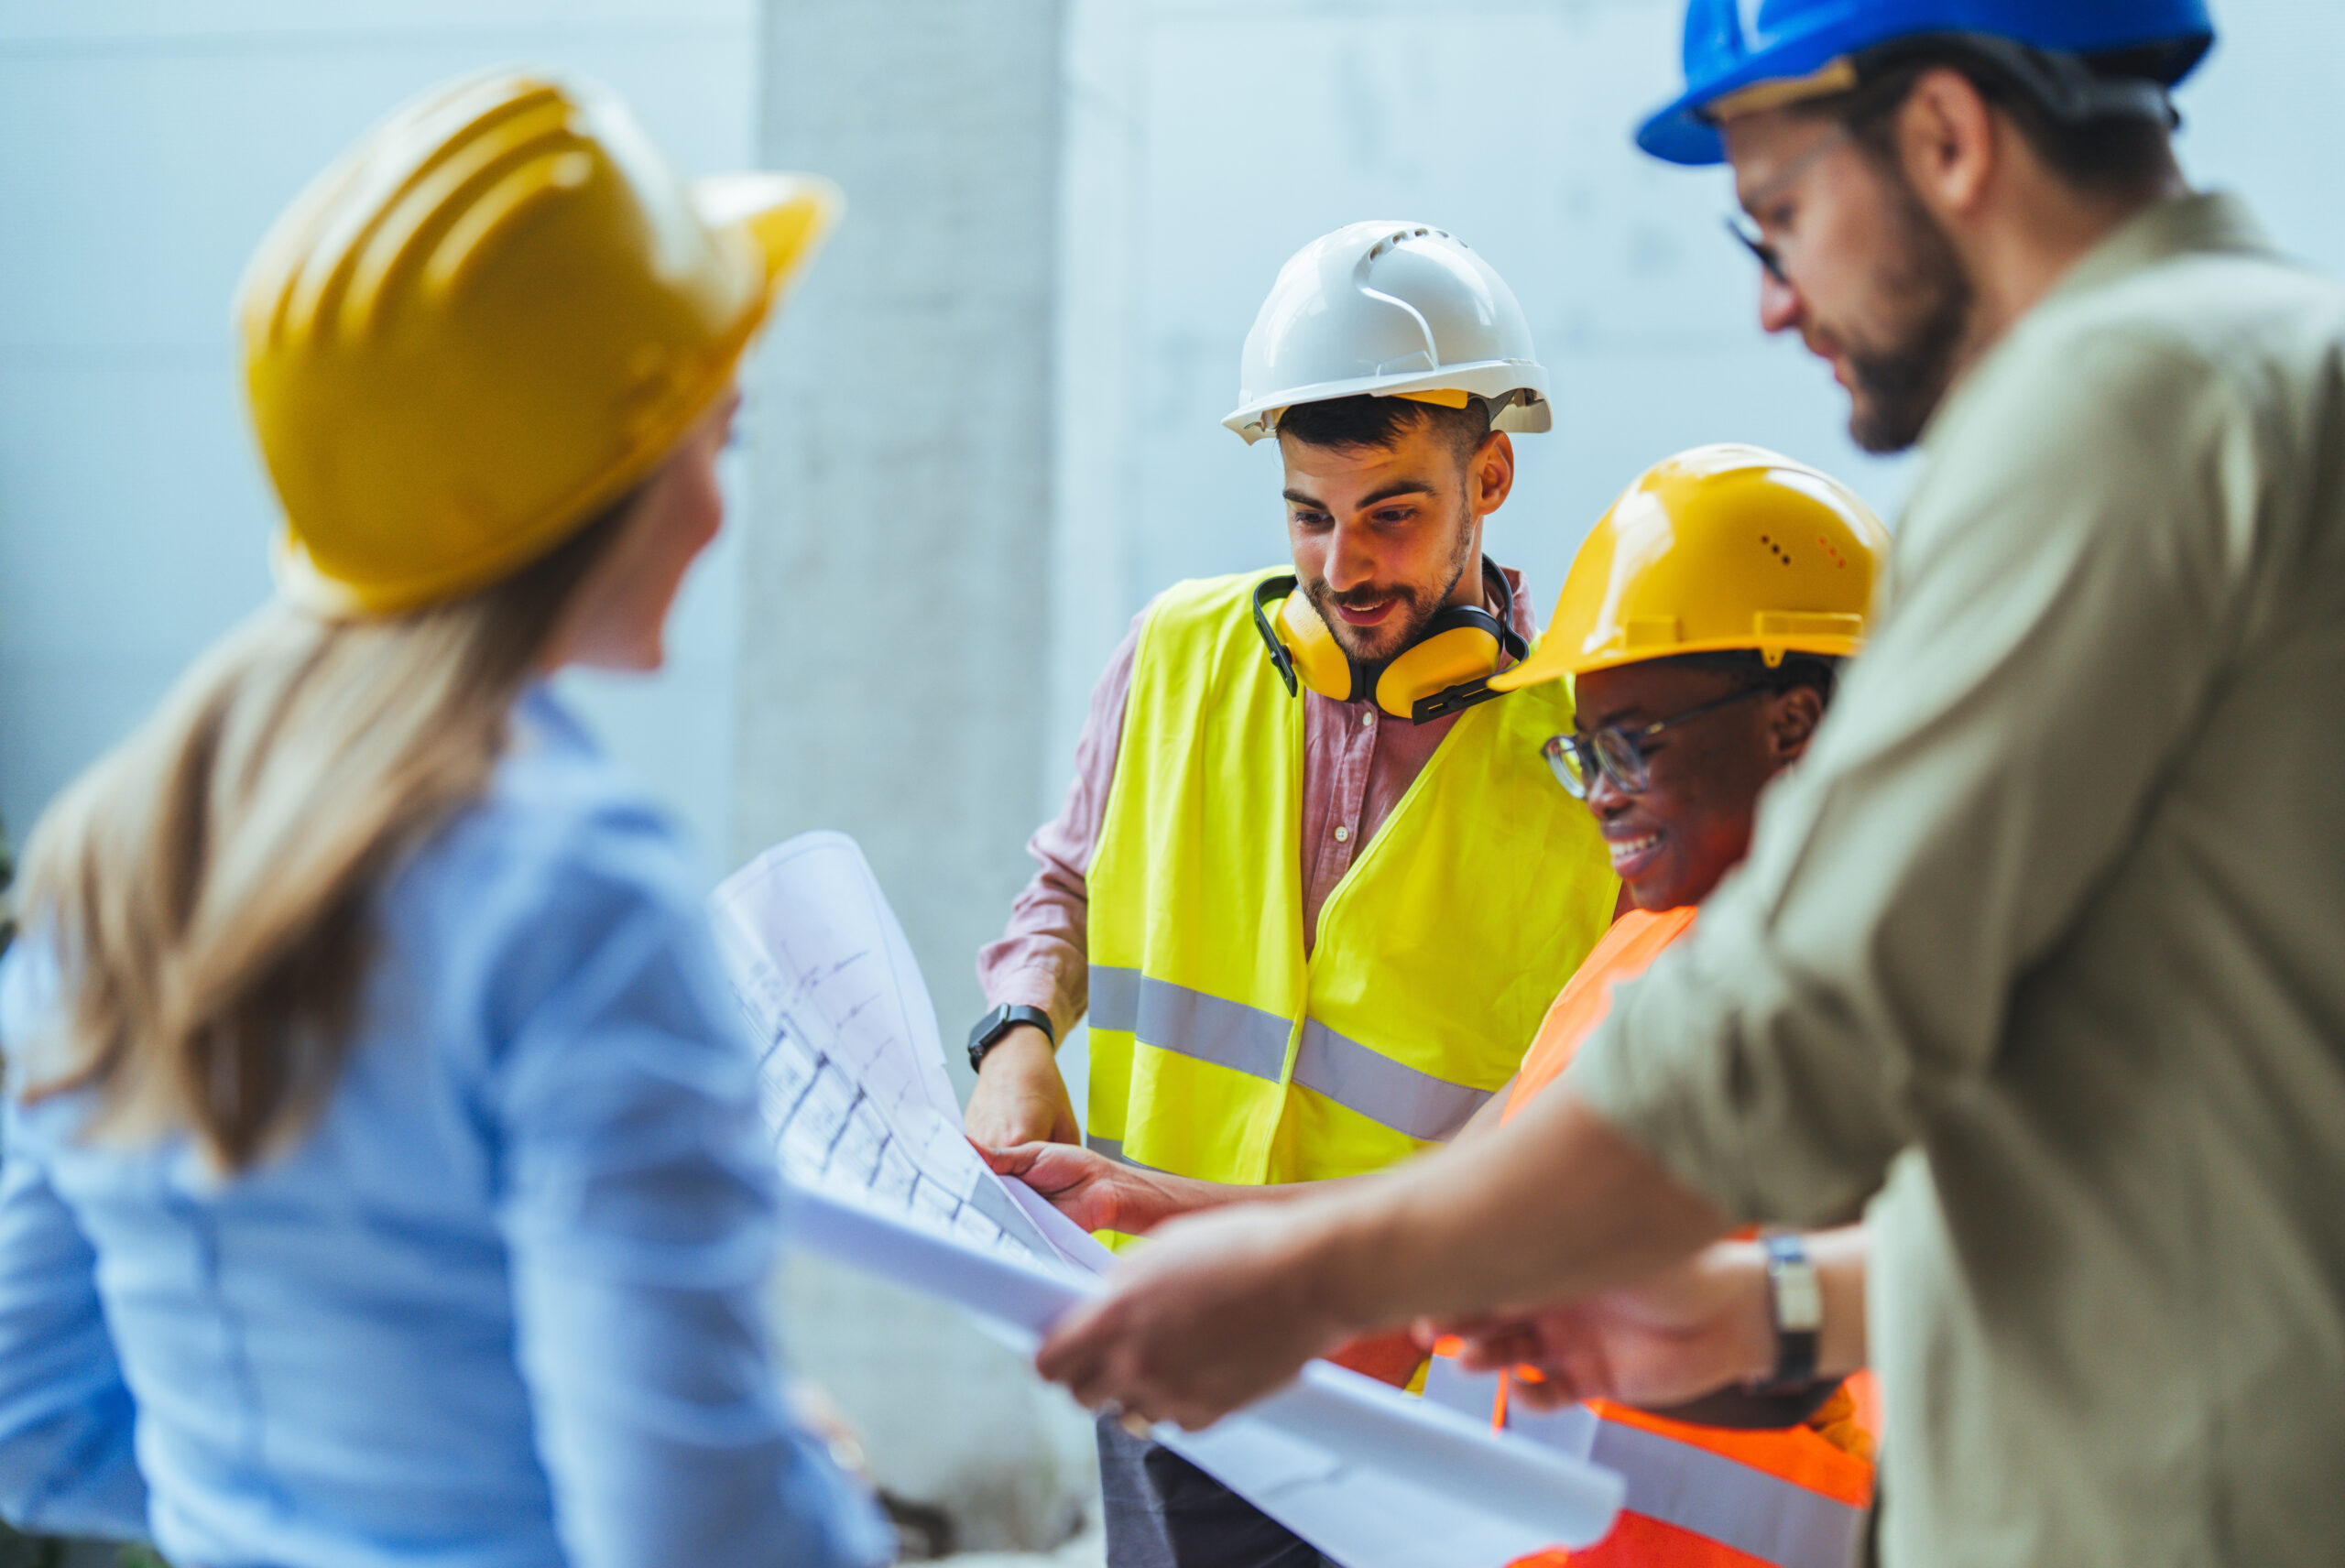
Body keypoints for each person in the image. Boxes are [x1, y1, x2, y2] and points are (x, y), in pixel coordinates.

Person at [1035, 2, 2345, 1563]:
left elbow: (1806, 1027)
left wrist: (1317, 1276)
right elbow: (2168, 1149)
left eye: (1779, 215)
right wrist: (1770, 1304)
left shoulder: (2120, 410)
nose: (1776, 303)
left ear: (1947, 138)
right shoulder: (2272, 383)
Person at [0, 71, 890, 1568]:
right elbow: (692, 1536)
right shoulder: (581, 899)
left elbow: (25, 1405)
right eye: (713, 440)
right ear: (602, 472)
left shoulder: (114, 851)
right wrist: (806, 1483)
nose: (718, 510)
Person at [1000, 442, 1890, 1568]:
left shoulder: (1839, 999)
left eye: (1632, 743)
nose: (1600, 794)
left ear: (1791, 724)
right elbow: (1465, 1201)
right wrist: (1148, 1201)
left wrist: (1308, 1294)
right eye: (1583, 748)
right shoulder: (1655, 951)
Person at [965, 221, 1619, 1567]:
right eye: (1310, 516)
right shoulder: (1176, 652)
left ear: (1488, 476)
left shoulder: (1589, 758)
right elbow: (1062, 891)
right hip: (1164, 1345)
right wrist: (1016, 1037)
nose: (1344, 567)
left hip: (1409, 1390)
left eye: (1394, 514)